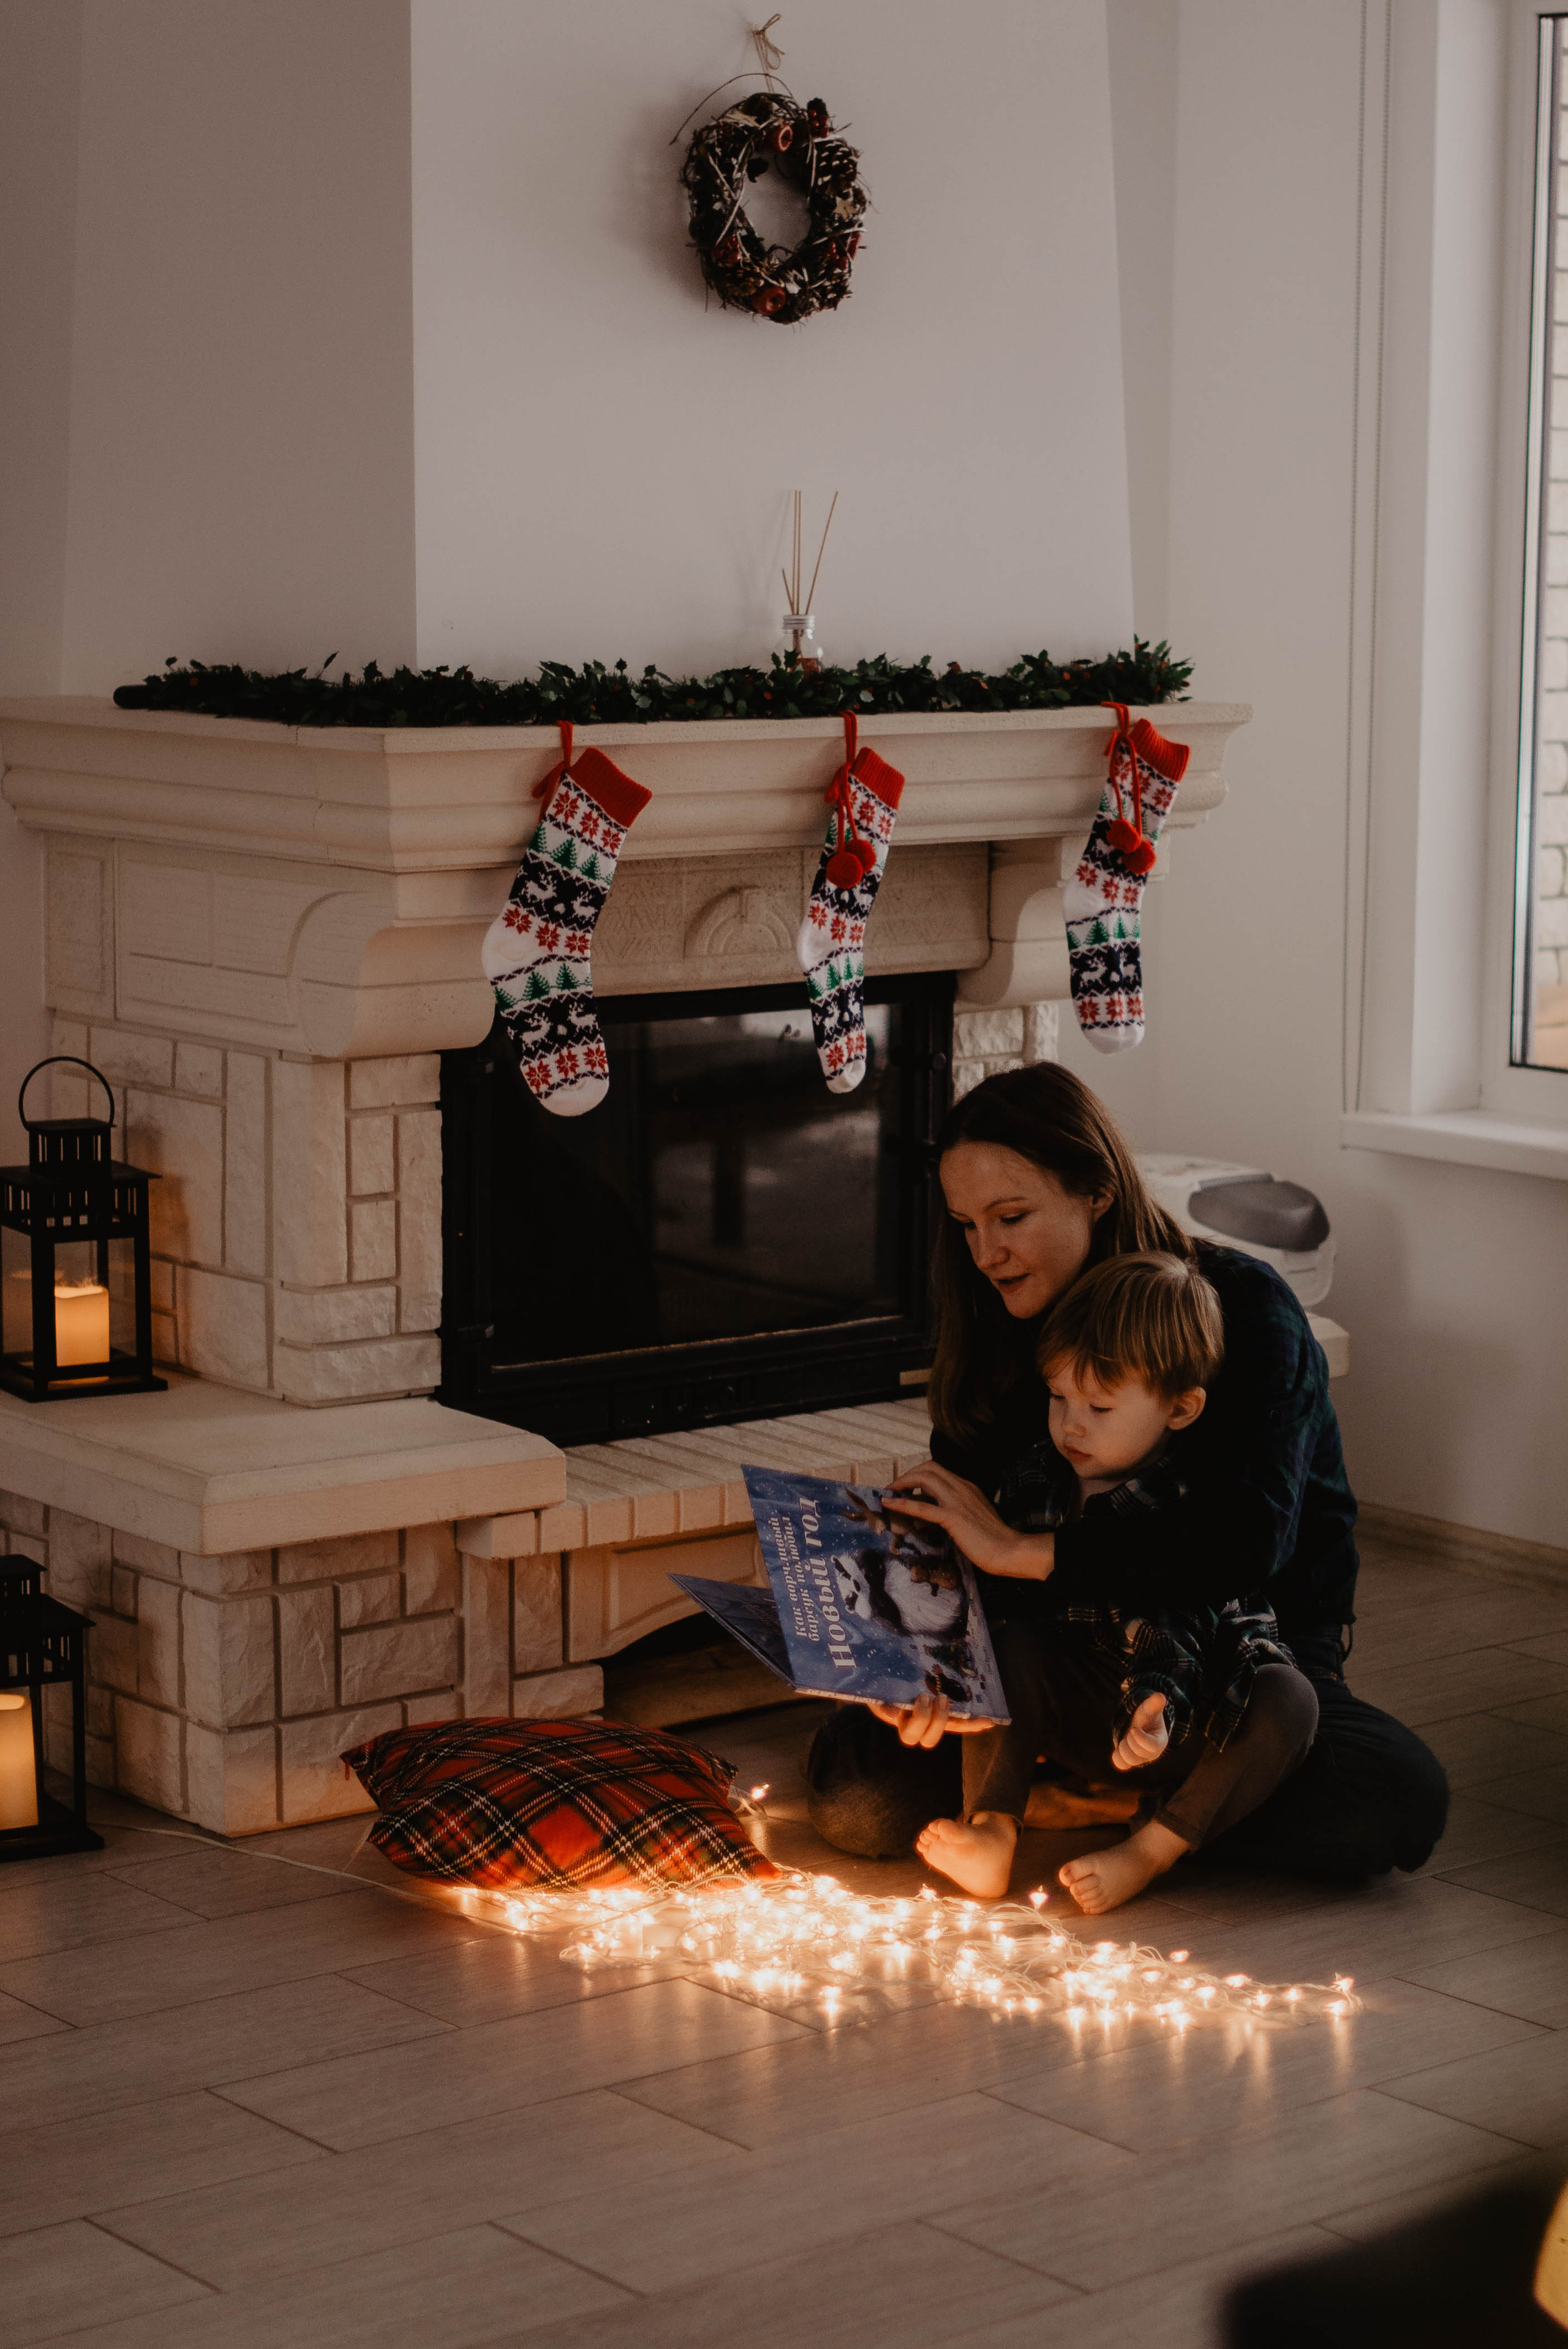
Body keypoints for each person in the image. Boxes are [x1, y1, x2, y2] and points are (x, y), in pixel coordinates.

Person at [805, 1062, 1449, 1886]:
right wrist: (916, 1663)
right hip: (1052, 1664)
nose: (985, 1252)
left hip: (1226, 1671)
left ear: (1096, 1191)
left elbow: (1242, 1542)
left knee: (1393, 1800)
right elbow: (963, 1537)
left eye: (1010, 1216)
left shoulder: (1240, 1313)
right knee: (859, 1800)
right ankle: (1122, 1799)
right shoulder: (997, 1322)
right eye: (966, 1224)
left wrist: (1028, 1552)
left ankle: (1115, 1810)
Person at [916, 1251, 1320, 1911]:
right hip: (1080, 1708)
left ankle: (1151, 1848)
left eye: (1099, 1407)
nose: (1071, 1424)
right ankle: (990, 1828)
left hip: (1186, 1713)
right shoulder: (1034, 1479)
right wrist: (926, 1664)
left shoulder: (1191, 1501)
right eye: (1058, 1397)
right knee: (1005, 1643)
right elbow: (996, 1604)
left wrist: (1156, 1699)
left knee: (1288, 1701)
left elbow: (1179, 1618)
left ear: (1180, 1409)